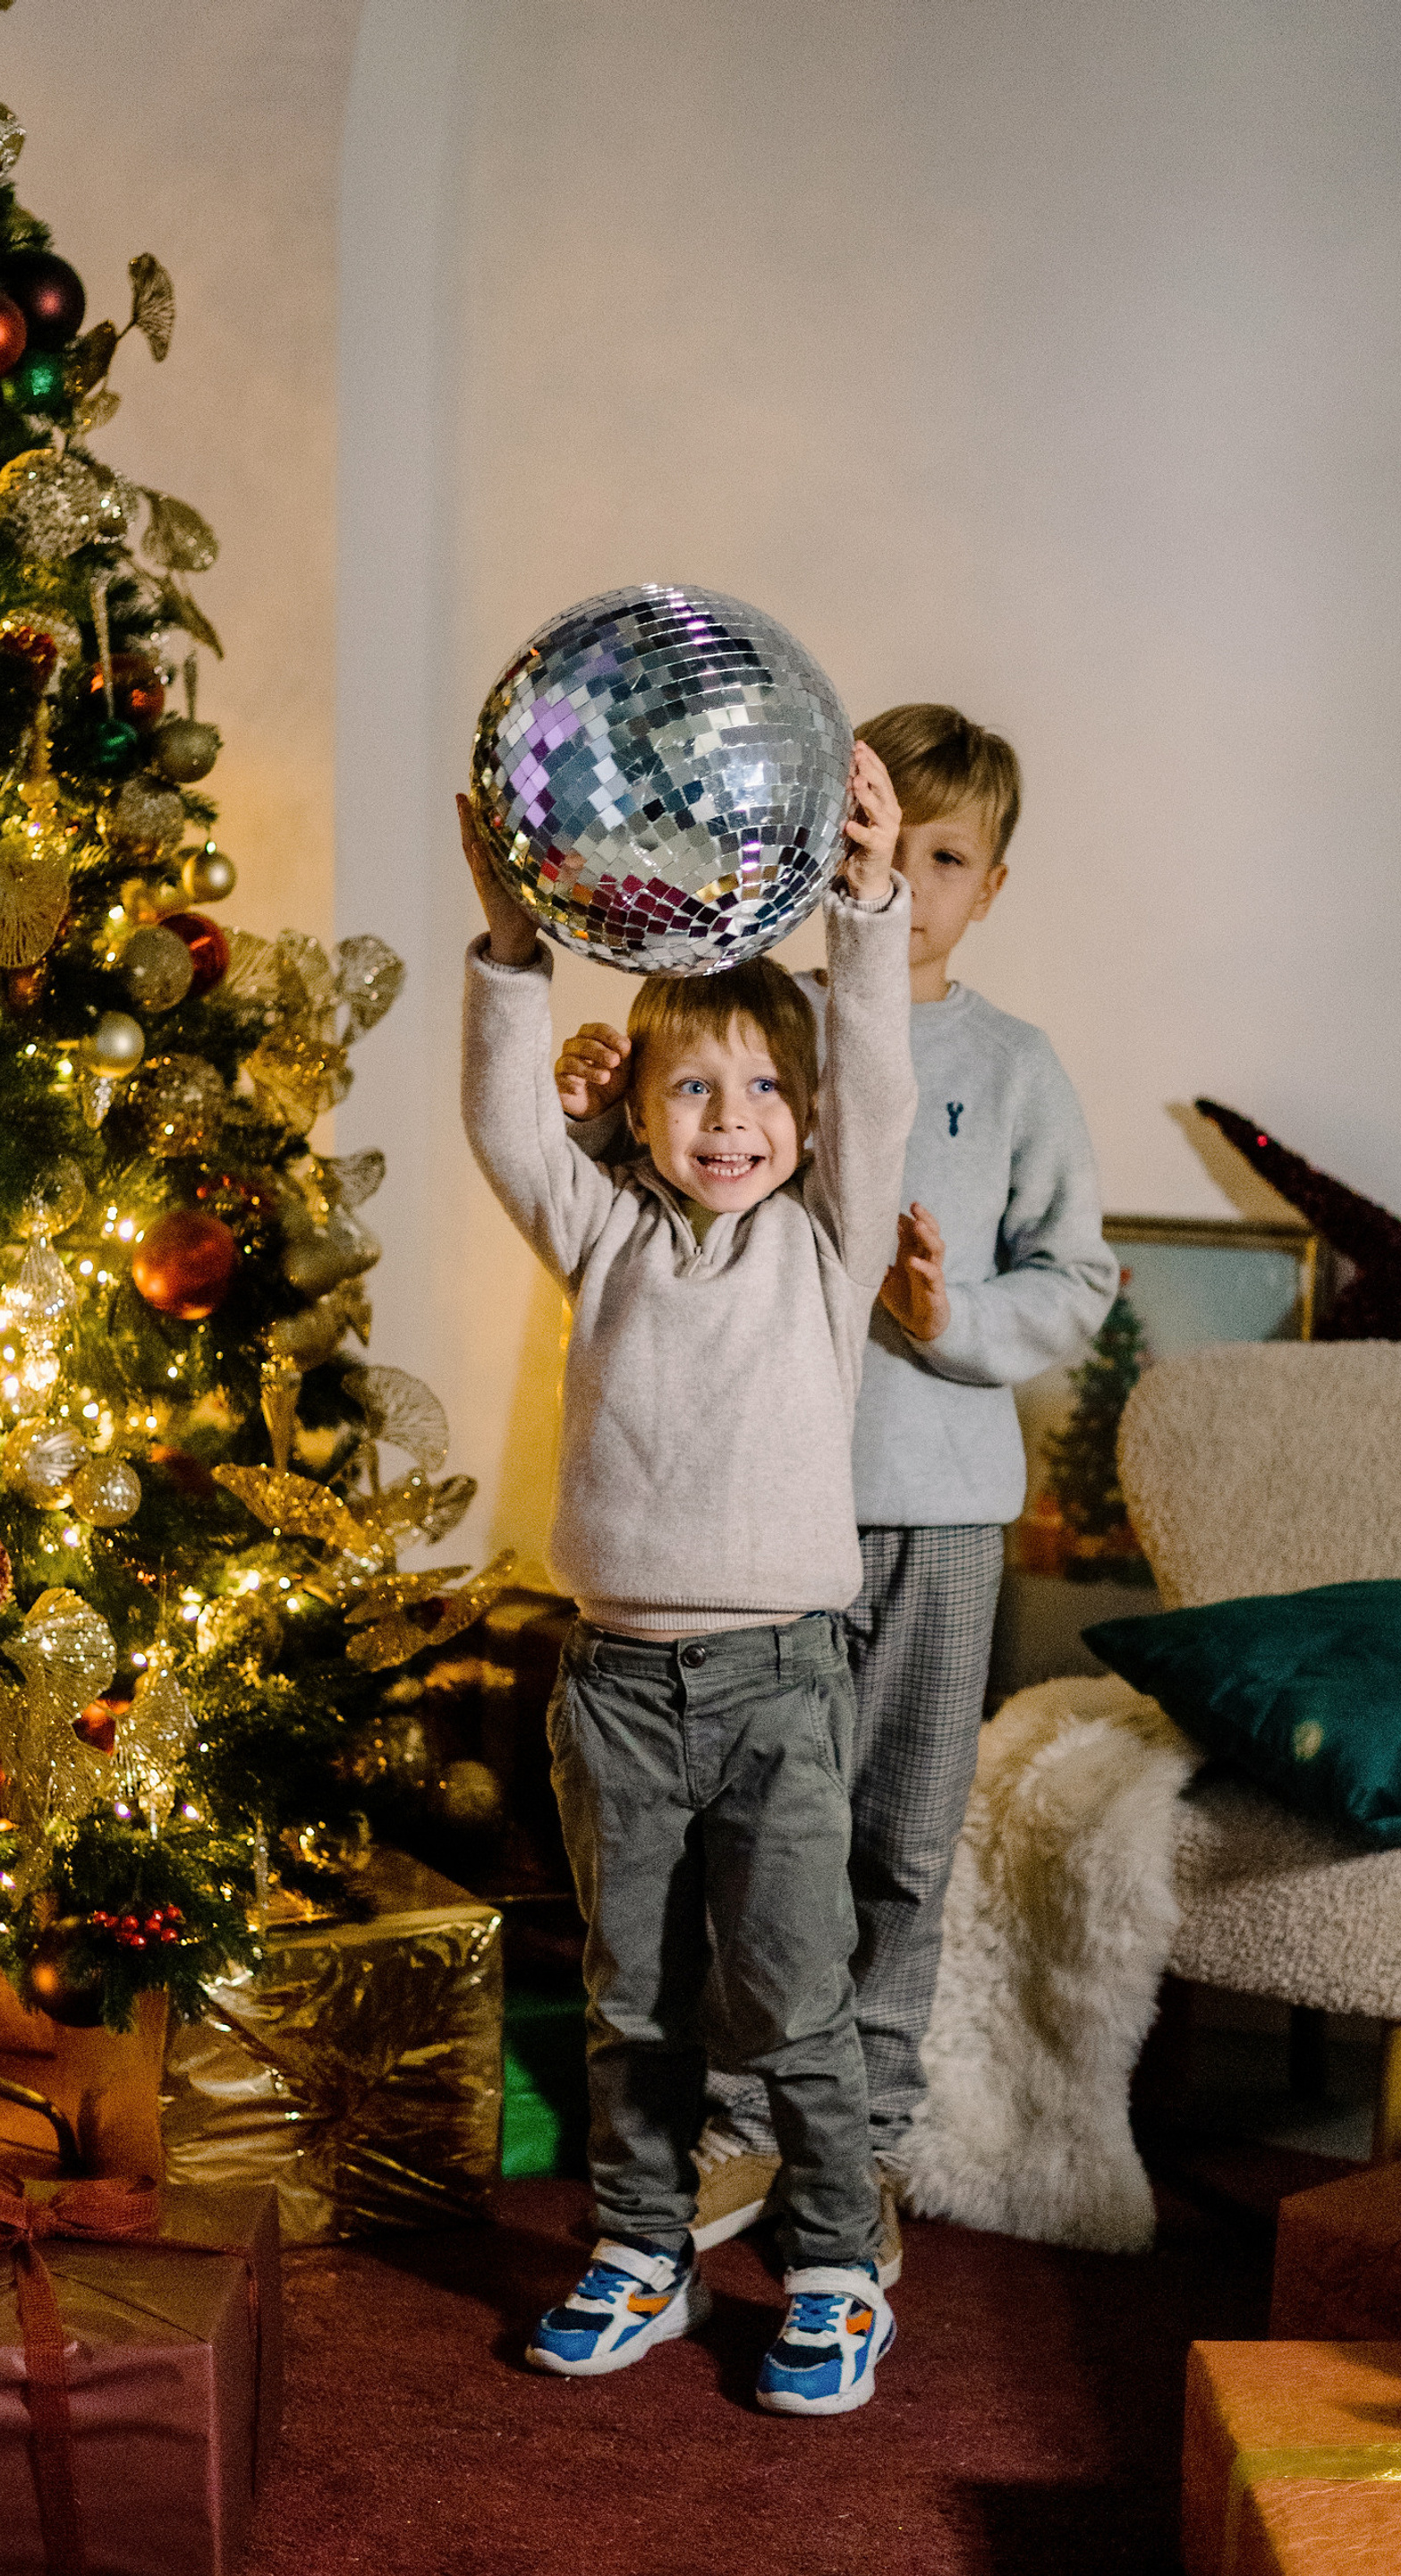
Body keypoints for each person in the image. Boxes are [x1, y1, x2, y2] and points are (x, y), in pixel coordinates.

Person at [555, 705, 1119, 2257]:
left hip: (935, 1509)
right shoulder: (762, 1035)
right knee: (755, 1852)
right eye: (896, 849)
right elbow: (641, 1226)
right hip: (750, 1534)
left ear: (990, 886)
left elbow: (1076, 1279)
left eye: (952, 860)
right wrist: (603, 1100)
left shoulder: (1012, 1066)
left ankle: (860, 2137)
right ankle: (746, 2126)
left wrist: (956, 1319)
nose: (917, 884)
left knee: (898, 1840)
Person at [457, 745, 915, 2417]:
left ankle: (833, 2270)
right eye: (695, 1093)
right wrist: (514, 944)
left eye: (764, 1094)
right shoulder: (604, 1234)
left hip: (781, 1684)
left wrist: (865, 906)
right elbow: (510, 1129)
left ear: (809, 1122)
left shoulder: (829, 1239)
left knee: (795, 2001)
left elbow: (870, 1067)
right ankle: (644, 2247)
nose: (735, 1123)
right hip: (616, 1688)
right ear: (639, 1113)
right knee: (633, 1999)